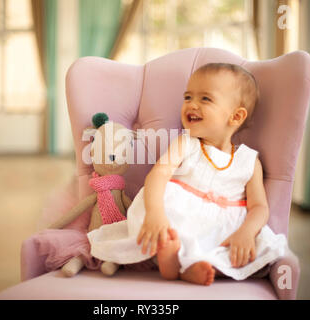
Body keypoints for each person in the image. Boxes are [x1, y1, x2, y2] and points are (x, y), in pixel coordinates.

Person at [87, 62, 288, 285]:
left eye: (205, 99)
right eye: (188, 97)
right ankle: (171, 257)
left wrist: (247, 232)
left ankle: (189, 267)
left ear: (236, 116)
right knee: (165, 231)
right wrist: (156, 213)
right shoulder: (186, 143)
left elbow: (259, 207)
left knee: (255, 250)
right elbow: (158, 175)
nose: (191, 104)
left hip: (222, 228)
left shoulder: (249, 161)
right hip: (180, 215)